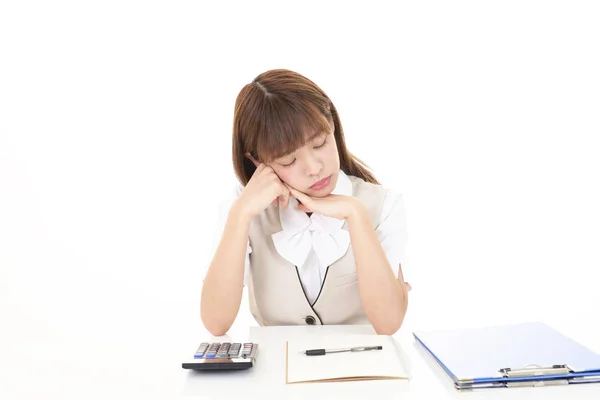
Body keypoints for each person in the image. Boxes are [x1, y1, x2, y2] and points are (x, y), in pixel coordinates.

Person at [201, 69, 411, 336]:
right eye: (288, 160)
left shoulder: (383, 205)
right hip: (272, 374)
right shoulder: (244, 208)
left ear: (332, 124)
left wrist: (355, 215)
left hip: (361, 375)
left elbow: (388, 323)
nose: (314, 168)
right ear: (257, 161)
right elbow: (215, 323)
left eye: (320, 143)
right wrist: (241, 214)